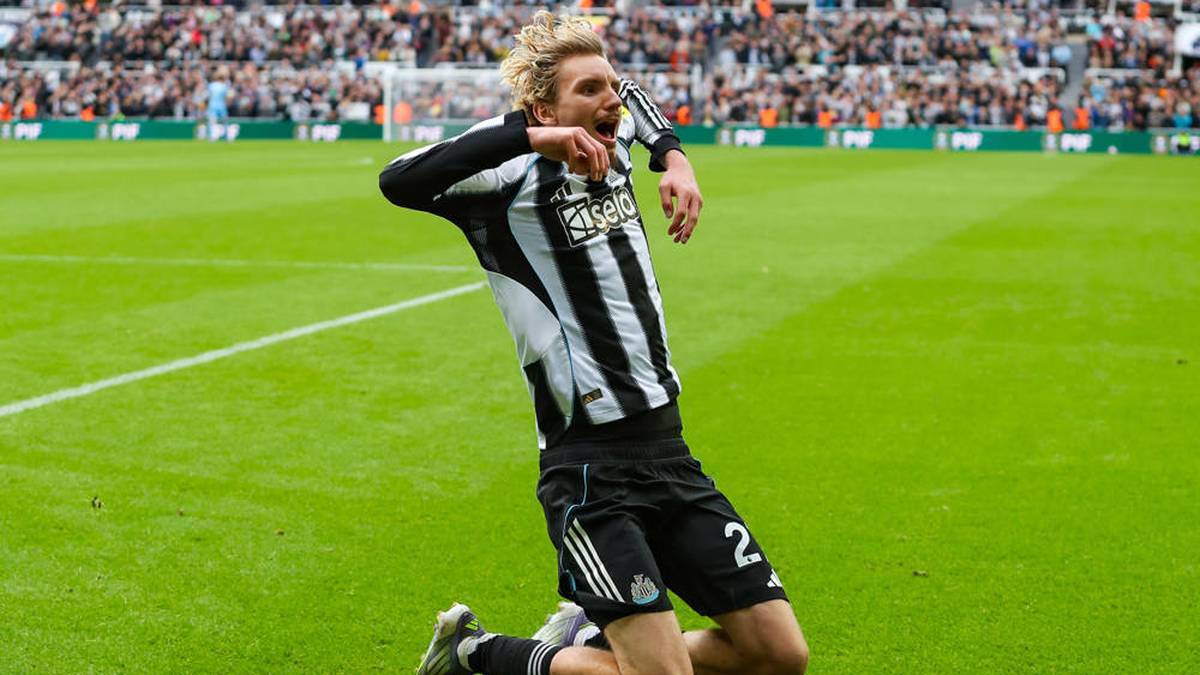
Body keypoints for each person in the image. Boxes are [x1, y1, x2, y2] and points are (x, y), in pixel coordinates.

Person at [379, 12, 808, 675]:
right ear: (542, 108)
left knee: (778, 654)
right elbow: (399, 178)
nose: (609, 98)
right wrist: (532, 138)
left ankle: (586, 638)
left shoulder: (618, 120)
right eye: (588, 89)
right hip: (589, 468)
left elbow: (635, 100)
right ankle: (474, 652)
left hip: (669, 450)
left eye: (608, 83)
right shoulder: (506, 177)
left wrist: (675, 159)